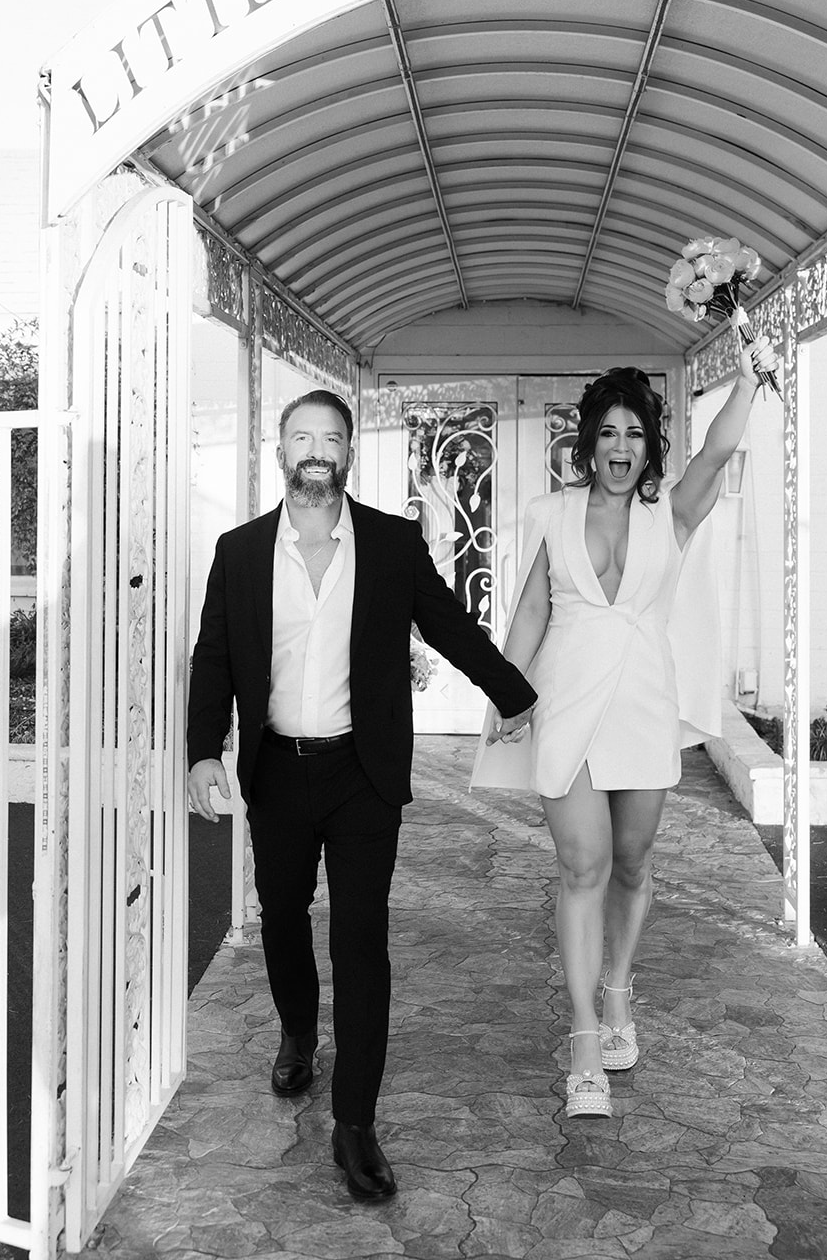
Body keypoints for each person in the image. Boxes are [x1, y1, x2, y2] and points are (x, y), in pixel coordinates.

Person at [187, 389, 535, 1200]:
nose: (317, 449)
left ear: (347, 453)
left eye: (331, 438)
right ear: (282, 454)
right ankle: (299, 1031)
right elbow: (214, 657)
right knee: (281, 919)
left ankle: (354, 1124)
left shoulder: (388, 542)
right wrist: (205, 751)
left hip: (361, 775)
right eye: (302, 437)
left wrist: (513, 693)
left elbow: (449, 624)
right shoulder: (239, 552)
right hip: (275, 770)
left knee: (361, 940)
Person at [470, 341, 777, 1119]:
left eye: (634, 434)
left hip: (643, 707)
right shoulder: (551, 512)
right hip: (565, 704)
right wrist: (506, 696)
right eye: (607, 433)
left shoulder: (670, 512)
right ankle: (582, 1047)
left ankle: (617, 994)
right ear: (587, 441)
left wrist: (746, 380)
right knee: (585, 866)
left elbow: (718, 451)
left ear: (650, 444)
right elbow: (532, 610)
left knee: (633, 866)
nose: (620, 448)